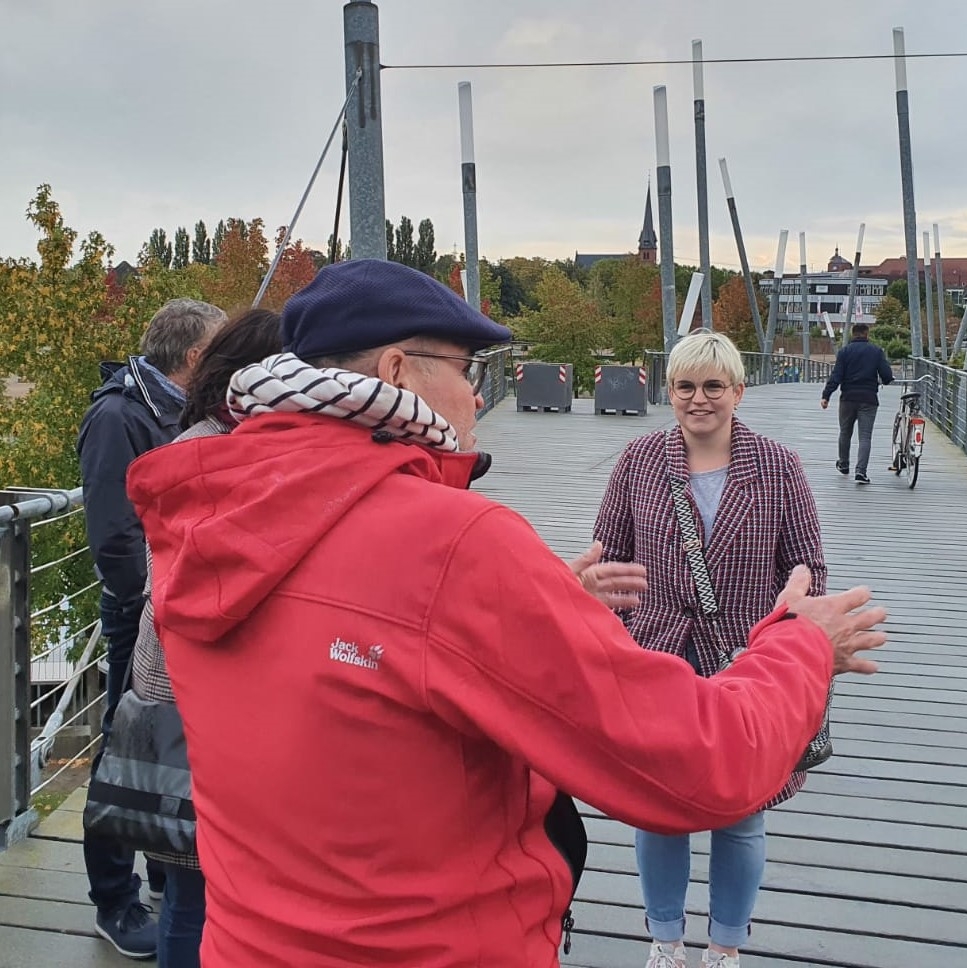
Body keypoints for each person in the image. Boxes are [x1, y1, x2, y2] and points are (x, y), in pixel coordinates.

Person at [125, 260, 888, 968]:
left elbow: (352, 649)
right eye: (467, 369)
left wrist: (542, 603)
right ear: (397, 371)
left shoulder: (201, 516)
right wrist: (800, 646)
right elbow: (700, 762)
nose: (478, 396)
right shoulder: (453, 545)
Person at [593, 331, 830, 968]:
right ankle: (666, 939)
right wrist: (610, 644)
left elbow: (808, 568)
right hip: (659, 658)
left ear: (738, 391)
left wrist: (790, 636)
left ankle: (724, 946)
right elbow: (609, 564)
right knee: (659, 811)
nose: (699, 399)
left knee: (742, 813)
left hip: (744, 662)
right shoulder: (639, 463)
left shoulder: (777, 466)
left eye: (713, 386)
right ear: (667, 392)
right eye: (686, 387)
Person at [129, 308, 283, 968]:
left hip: (165, 690)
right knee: (202, 885)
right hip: (201, 701)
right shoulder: (236, 462)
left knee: (190, 886)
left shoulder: (183, 446)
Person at [77, 297, 226, 958]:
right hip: (143, 611)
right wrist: (155, 601)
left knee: (167, 746)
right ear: (195, 356)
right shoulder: (119, 414)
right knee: (127, 747)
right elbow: (114, 535)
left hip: (169, 609)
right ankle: (115, 900)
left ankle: (165, 872)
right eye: (218, 350)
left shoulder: (169, 409)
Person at [819, 322, 894, 484]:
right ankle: (861, 472)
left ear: (853, 334)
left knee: (845, 432)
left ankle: (844, 464)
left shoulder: (844, 352)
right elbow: (887, 376)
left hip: (848, 398)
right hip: (868, 399)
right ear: (867, 334)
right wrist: (885, 379)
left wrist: (826, 395)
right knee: (865, 437)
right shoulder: (876, 351)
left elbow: (836, 376)